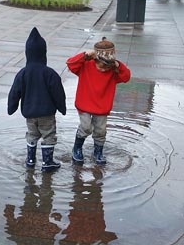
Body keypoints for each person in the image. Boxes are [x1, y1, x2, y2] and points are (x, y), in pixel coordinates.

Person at [8, 27, 66, 172]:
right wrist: (62, 108)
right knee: (48, 135)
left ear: (27, 53)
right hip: (47, 114)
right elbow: (58, 92)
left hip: (30, 114)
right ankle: (47, 163)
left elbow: (15, 92)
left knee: (32, 135)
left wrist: (11, 107)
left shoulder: (23, 73)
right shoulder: (50, 73)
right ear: (43, 53)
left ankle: (30, 160)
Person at [66, 37, 131, 164]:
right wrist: (85, 55)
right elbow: (70, 64)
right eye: (101, 66)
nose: (104, 69)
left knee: (101, 130)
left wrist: (118, 65)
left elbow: (126, 77)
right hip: (84, 103)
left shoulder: (113, 71)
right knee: (86, 127)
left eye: (107, 67)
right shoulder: (86, 65)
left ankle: (98, 151)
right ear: (95, 59)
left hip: (102, 107)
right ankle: (77, 148)